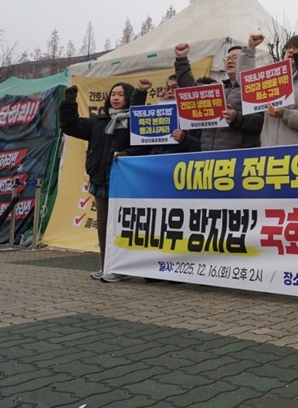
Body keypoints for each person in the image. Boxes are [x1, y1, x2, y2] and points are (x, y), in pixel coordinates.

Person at [60, 82, 139, 283]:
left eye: (121, 94)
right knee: (104, 227)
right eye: (113, 94)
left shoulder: (136, 121)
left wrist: (126, 153)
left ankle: (121, 268)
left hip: (126, 183)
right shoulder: (99, 121)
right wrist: (69, 100)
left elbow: (143, 148)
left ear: (129, 97)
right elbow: (71, 126)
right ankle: (106, 266)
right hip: (101, 181)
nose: (116, 98)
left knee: (122, 227)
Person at [239, 33, 298, 146]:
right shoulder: (272, 81)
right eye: (288, 48)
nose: (291, 51)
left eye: (297, 47)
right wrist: (250, 49)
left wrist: (286, 114)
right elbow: (246, 84)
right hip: (270, 151)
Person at [173, 43, 263, 150]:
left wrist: (236, 117)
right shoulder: (214, 89)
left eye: (235, 57)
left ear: (245, 61)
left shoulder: (254, 88)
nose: (230, 61)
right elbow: (189, 89)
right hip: (209, 155)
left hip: (238, 155)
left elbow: (260, 122)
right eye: (227, 58)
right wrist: (181, 59)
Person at [130, 75, 201, 154]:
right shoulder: (160, 111)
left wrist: (184, 138)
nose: (170, 92)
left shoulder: (196, 114)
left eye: (175, 87)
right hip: (157, 158)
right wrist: (141, 92)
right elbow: (138, 118)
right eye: (167, 88)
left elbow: (203, 146)